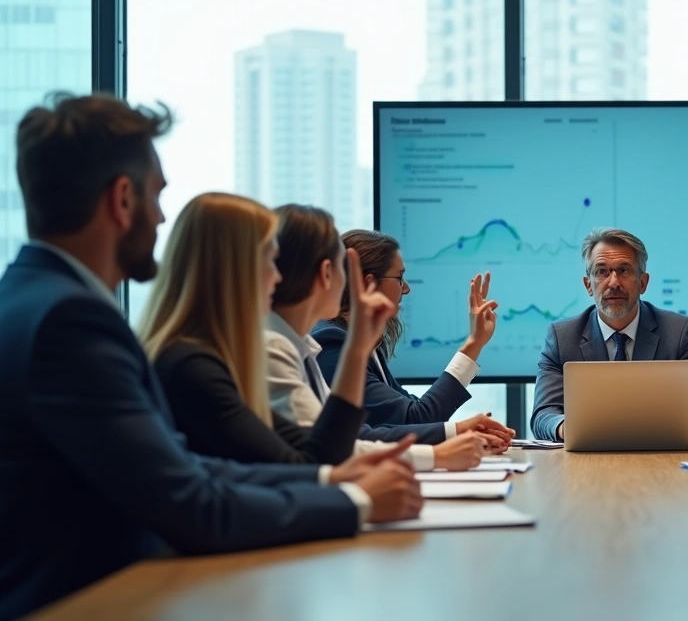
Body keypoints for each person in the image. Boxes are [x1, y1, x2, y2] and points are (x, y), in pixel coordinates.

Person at [0, 93, 419, 619]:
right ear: (123, 199)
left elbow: (188, 468)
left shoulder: (29, 300)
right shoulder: (72, 322)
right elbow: (191, 504)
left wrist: (330, 481)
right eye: (156, 195)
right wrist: (356, 502)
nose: (161, 217)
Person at [266, 204, 488, 470]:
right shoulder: (326, 342)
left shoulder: (312, 345)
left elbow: (349, 437)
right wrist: (445, 444)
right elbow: (332, 447)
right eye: (400, 278)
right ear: (327, 274)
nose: (406, 289)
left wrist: (453, 435)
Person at [313, 229, 514, 448]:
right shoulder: (334, 343)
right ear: (369, 284)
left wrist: (462, 430)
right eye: (399, 278)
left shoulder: (361, 343)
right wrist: (474, 343)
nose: (407, 288)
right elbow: (417, 417)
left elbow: (412, 411)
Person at [532, 228, 688, 442]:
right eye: (602, 271)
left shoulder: (679, 332)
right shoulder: (562, 337)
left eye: (624, 270)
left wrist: (682, 429)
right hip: (587, 457)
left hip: (660, 455)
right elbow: (543, 415)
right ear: (588, 285)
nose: (614, 283)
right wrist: (570, 429)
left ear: (643, 283)